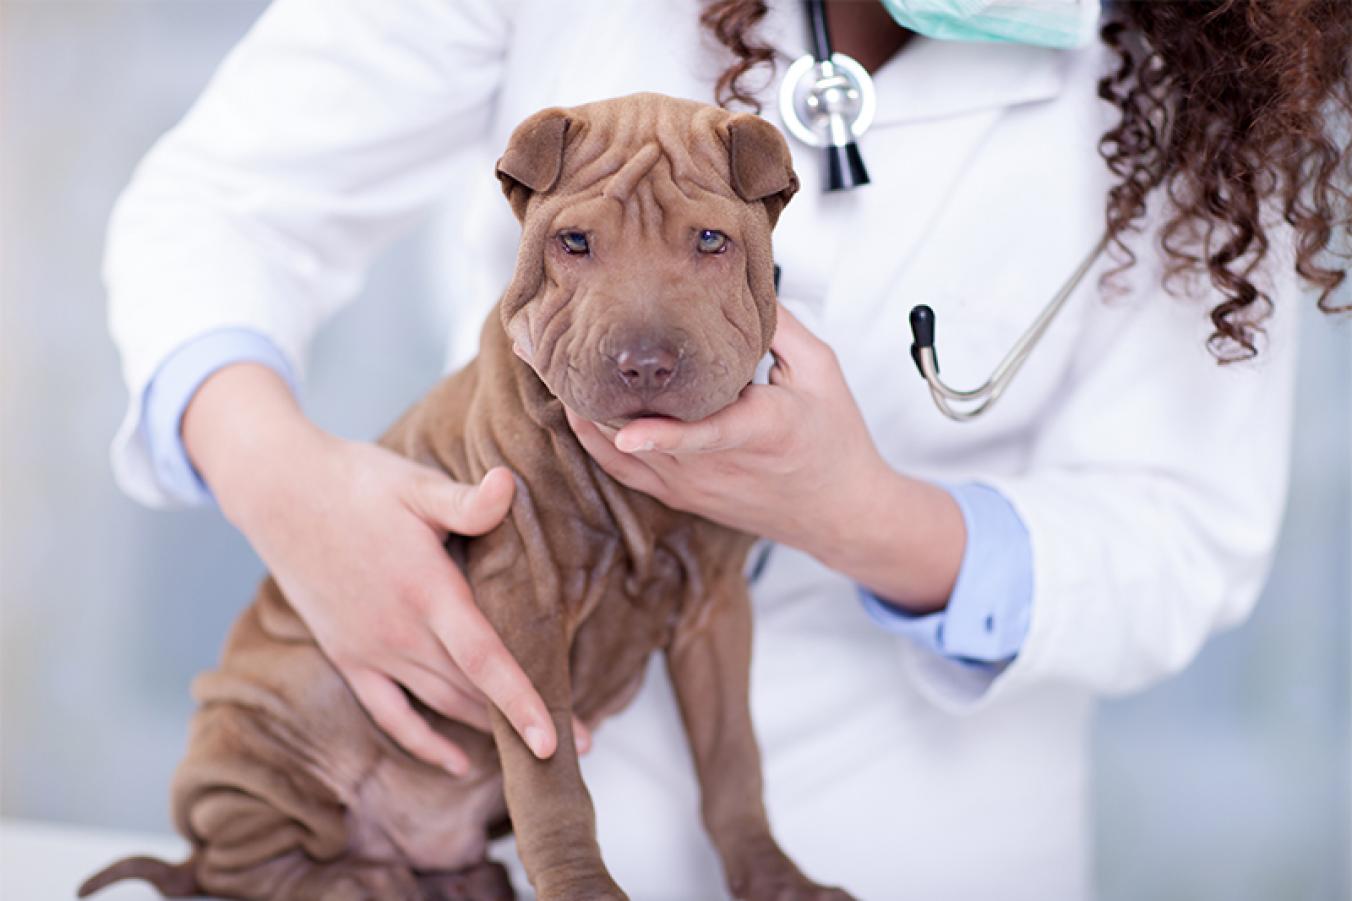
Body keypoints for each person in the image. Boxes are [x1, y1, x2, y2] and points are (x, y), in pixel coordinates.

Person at [105, 1, 1350, 898]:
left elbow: (1186, 532)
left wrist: (865, 516)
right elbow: (220, 202)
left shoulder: (1201, 71)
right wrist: (287, 485)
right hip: (483, 829)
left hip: (917, 831)